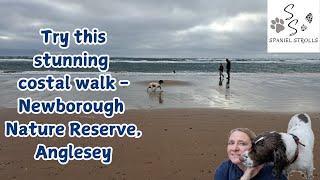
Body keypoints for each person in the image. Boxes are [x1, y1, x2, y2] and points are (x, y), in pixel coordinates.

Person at [214, 128, 287, 180]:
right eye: (231, 143)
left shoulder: (274, 172)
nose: (234, 148)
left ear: (253, 148)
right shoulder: (224, 169)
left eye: (242, 144)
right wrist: (246, 177)